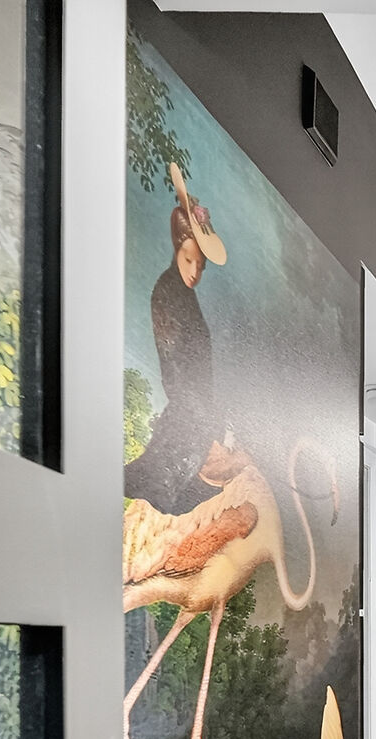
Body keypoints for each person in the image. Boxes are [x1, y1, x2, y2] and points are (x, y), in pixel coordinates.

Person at [127, 161, 229, 513]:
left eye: (201, 265)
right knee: (166, 490)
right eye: (189, 260)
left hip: (198, 407)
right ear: (177, 250)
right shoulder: (167, 291)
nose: (195, 271)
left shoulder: (186, 294)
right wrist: (200, 413)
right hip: (188, 407)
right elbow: (173, 366)